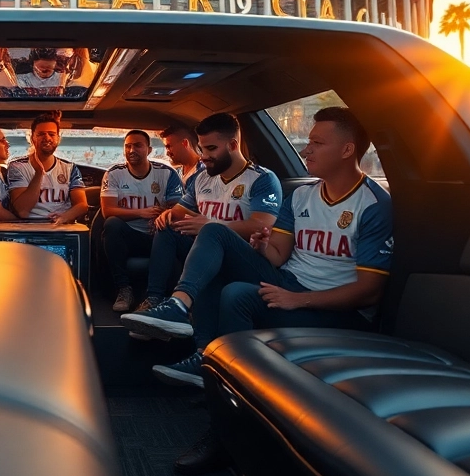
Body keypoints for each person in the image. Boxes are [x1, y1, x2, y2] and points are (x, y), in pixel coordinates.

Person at [127, 107, 391, 391]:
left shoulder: (373, 205)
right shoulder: (302, 195)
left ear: (346, 150)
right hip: (287, 281)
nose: (306, 151)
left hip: (333, 308)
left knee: (235, 292)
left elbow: (369, 291)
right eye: (309, 143)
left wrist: (298, 300)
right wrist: (263, 248)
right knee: (215, 235)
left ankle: (216, 368)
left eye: (317, 144)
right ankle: (188, 325)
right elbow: (278, 255)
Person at [130, 113, 280, 313]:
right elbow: (180, 210)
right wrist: (169, 215)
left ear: (233, 146)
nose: (203, 156)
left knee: (211, 230)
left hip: (242, 255)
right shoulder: (202, 178)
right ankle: (154, 299)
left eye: (211, 149)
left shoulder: (262, 179)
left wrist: (211, 224)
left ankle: (180, 306)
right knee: (167, 230)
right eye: (201, 148)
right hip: (204, 249)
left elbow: (261, 225)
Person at [101, 130, 184, 312]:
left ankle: (155, 297)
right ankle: (124, 289)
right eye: (128, 146)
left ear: (149, 149)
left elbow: (178, 210)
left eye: (137, 145)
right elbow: (108, 211)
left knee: (168, 229)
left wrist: (162, 215)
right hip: (129, 235)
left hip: (158, 236)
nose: (132, 150)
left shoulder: (167, 174)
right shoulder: (114, 174)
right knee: (112, 224)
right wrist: (141, 212)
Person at [7, 112, 88, 225]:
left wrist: (64, 217)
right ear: (32, 138)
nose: (47, 138)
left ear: (58, 139)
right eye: (41, 134)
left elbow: (82, 205)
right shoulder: (17, 166)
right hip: (28, 225)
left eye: (52, 134)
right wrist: (39, 173)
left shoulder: (70, 168)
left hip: (60, 226)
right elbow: (22, 211)